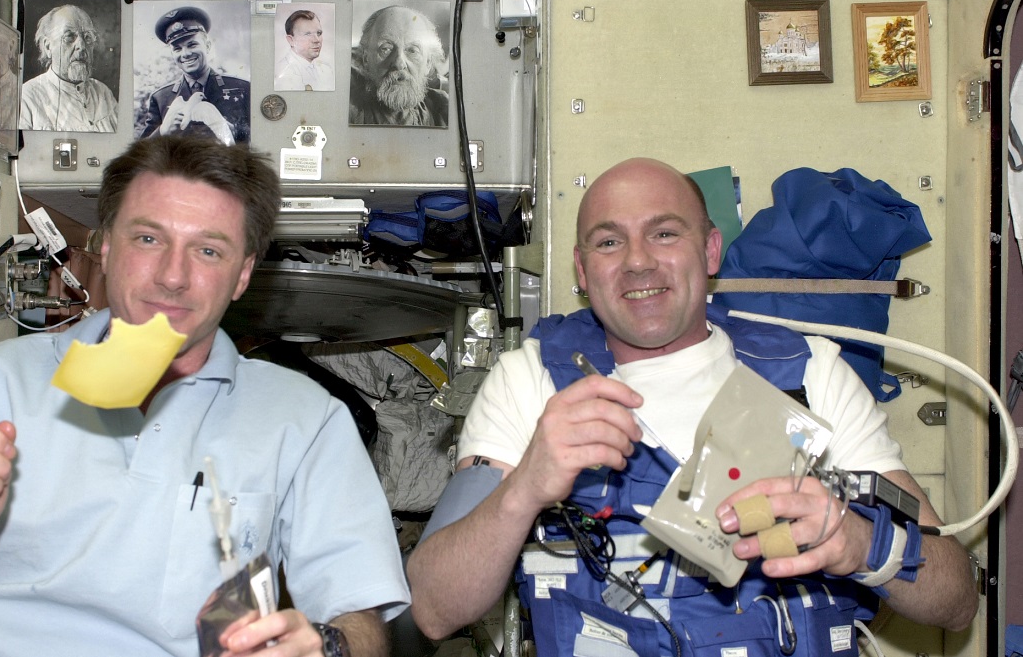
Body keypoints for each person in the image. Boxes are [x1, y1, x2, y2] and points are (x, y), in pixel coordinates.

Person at [407, 158, 978, 654]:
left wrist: (863, 544)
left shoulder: (810, 373)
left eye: (663, 234)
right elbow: (433, 609)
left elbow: (957, 601)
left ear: (710, 250)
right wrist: (524, 488)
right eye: (609, 242)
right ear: (581, 270)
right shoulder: (530, 380)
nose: (637, 262)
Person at [0, 135, 409, 656]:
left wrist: (326, 647)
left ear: (243, 275)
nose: (173, 277)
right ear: (105, 247)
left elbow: (360, 619)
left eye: (207, 250)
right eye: (149, 239)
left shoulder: (307, 421)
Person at [141, 6, 250, 145]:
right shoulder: (160, 98)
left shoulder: (242, 88)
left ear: (208, 46)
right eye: (177, 49)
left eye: (192, 45)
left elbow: (259, 138)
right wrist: (163, 130)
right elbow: (140, 152)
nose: (185, 54)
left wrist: (231, 130)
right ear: (172, 54)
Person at [19, 4, 119, 132]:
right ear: (48, 46)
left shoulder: (103, 92)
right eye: (69, 36)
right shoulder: (27, 97)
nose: (82, 46)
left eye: (87, 37)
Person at [349, 5, 448, 127]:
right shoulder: (346, 113)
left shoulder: (444, 110)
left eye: (412, 50)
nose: (399, 63)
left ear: (428, 63)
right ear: (366, 59)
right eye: (386, 48)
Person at [277, 10, 335, 92]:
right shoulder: (281, 72)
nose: (317, 40)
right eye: (308, 34)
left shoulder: (326, 70)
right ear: (291, 40)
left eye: (319, 33)